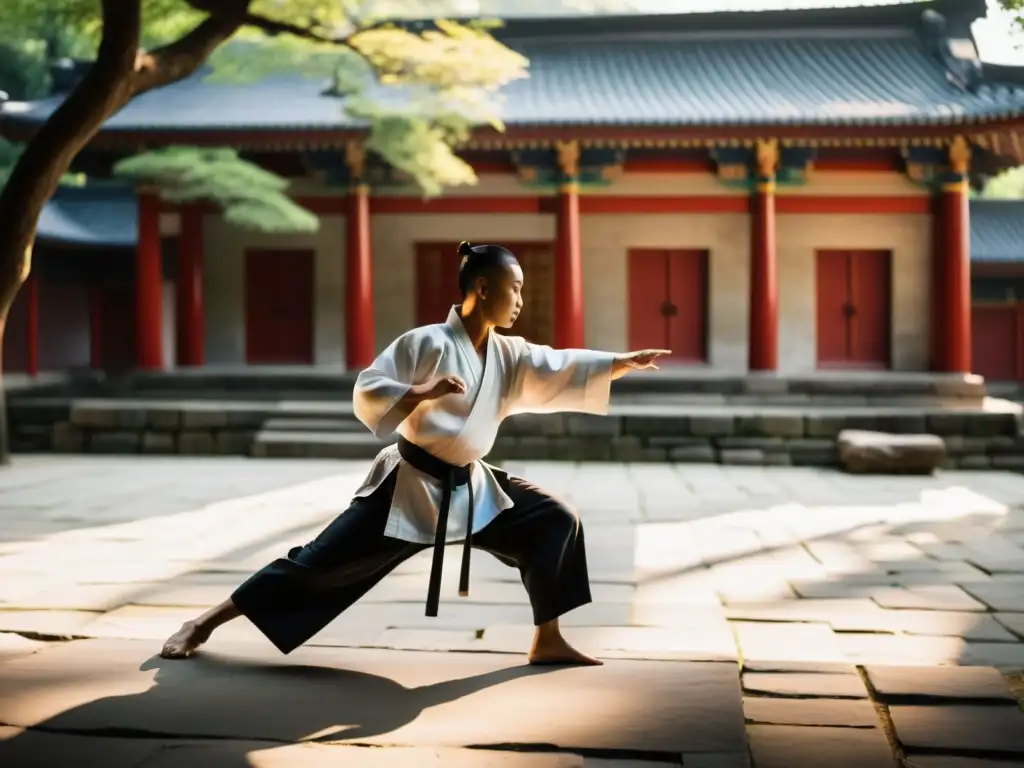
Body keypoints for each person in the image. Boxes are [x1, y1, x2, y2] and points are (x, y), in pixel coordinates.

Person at [160, 241, 670, 665]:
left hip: (470, 486)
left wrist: (618, 362)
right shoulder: (424, 342)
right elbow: (369, 388)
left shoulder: (507, 353)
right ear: (483, 288)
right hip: (409, 486)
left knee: (555, 519)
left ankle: (548, 638)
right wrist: (420, 393)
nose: (521, 298)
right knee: (315, 566)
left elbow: (557, 366)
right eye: (513, 287)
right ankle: (202, 622)